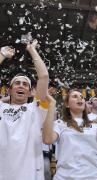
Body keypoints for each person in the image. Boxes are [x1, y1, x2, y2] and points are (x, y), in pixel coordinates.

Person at [42, 80, 97, 180]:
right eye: (74, 96)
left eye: (82, 97)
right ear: (67, 104)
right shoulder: (59, 123)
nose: (80, 98)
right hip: (64, 177)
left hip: (92, 176)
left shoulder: (94, 125)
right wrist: (51, 104)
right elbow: (47, 139)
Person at [0, 40, 49, 180]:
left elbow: (44, 77)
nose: (21, 86)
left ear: (29, 93)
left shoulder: (36, 108)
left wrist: (31, 49)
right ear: (9, 90)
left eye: (25, 84)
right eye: (17, 83)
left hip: (30, 174)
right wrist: (2, 54)